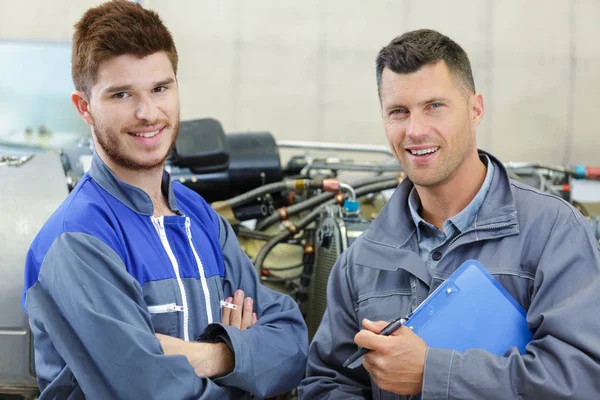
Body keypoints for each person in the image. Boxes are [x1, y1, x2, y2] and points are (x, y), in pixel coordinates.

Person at [22, 1, 307, 399]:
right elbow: (147, 390)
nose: (148, 112)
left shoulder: (200, 218)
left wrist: (209, 356)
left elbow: (292, 346)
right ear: (84, 107)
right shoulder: (76, 241)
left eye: (160, 88)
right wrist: (244, 362)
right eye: (121, 94)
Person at [299, 29, 600, 399]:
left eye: (434, 106)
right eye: (399, 112)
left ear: (475, 110)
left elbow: (580, 380)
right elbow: (327, 383)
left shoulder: (553, 231)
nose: (416, 130)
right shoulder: (361, 260)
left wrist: (431, 373)